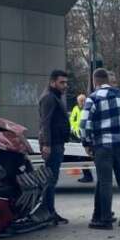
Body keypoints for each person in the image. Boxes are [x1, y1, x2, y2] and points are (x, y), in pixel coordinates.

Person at [81, 68, 120, 230]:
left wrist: (86, 143)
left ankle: (105, 219)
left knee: (105, 182)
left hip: (103, 147)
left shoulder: (93, 99)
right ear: (107, 79)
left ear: (95, 81)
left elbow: (84, 124)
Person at [38, 69, 71, 224]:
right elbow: (45, 122)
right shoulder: (49, 98)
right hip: (53, 145)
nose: (65, 85)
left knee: (52, 179)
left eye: (66, 82)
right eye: (61, 82)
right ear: (52, 82)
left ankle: (50, 211)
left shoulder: (56, 96)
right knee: (50, 179)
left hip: (57, 143)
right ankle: (47, 212)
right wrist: (46, 145)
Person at [68, 93, 94, 183]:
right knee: (82, 156)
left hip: (87, 134)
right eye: (80, 101)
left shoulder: (89, 108)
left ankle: (88, 175)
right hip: (77, 135)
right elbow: (72, 120)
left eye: (84, 100)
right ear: (78, 102)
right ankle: (87, 175)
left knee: (84, 156)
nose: (82, 102)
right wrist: (74, 129)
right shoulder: (76, 109)